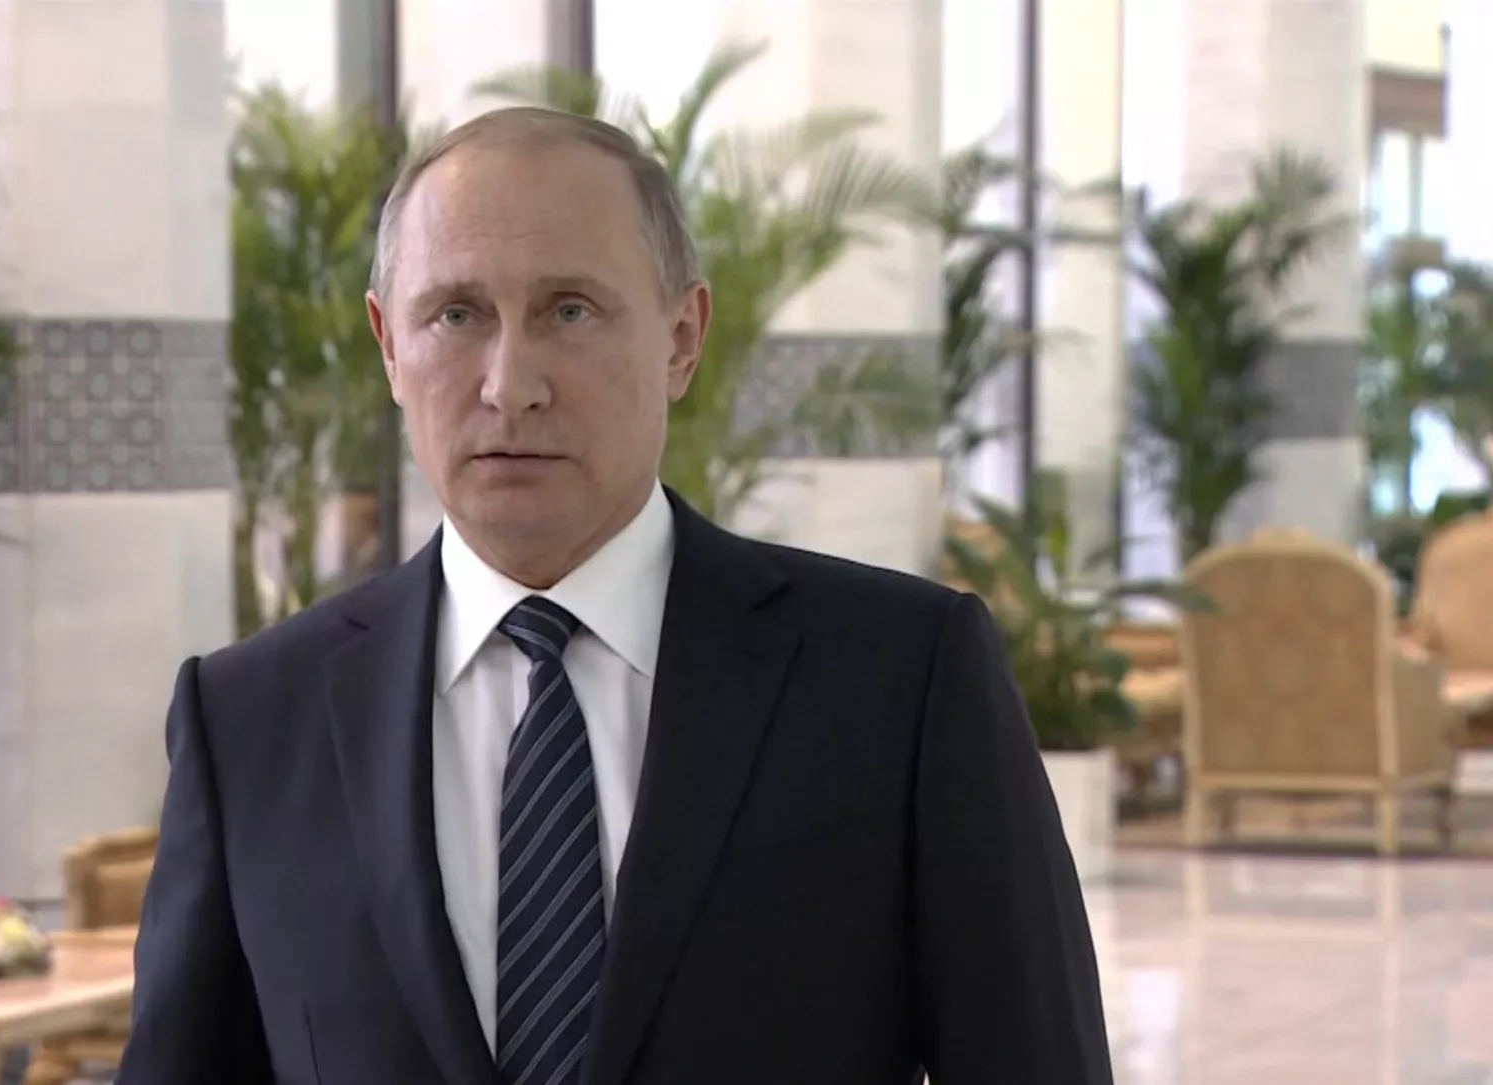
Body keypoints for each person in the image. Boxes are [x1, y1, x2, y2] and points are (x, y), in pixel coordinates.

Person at [117, 106, 1114, 1085]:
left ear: (682, 337)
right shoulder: (249, 721)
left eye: (570, 311)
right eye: (456, 314)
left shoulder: (900, 680)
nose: (509, 384)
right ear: (388, 344)